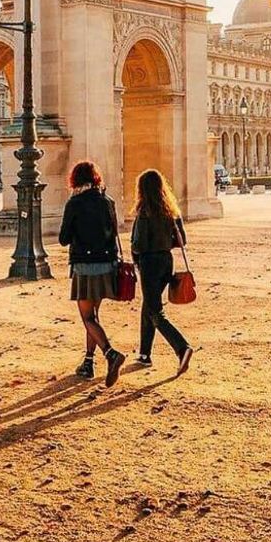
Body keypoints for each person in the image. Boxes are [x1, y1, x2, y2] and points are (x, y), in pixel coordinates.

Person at [58, 160, 126, 387]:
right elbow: (114, 231)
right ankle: (88, 362)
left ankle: (110, 353)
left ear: (75, 180)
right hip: (107, 263)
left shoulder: (74, 203)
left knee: (87, 318)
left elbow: (63, 238)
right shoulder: (108, 201)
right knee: (93, 317)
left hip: (85, 266)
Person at [130, 169, 193, 376]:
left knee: (156, 311)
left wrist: (137, 253)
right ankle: (145, 354)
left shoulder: (144, 211)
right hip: (167, 261)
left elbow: (138, 244)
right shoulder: (171, 211)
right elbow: (182, 239)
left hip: (149, 263)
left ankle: (181, 347)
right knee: (149, 305)